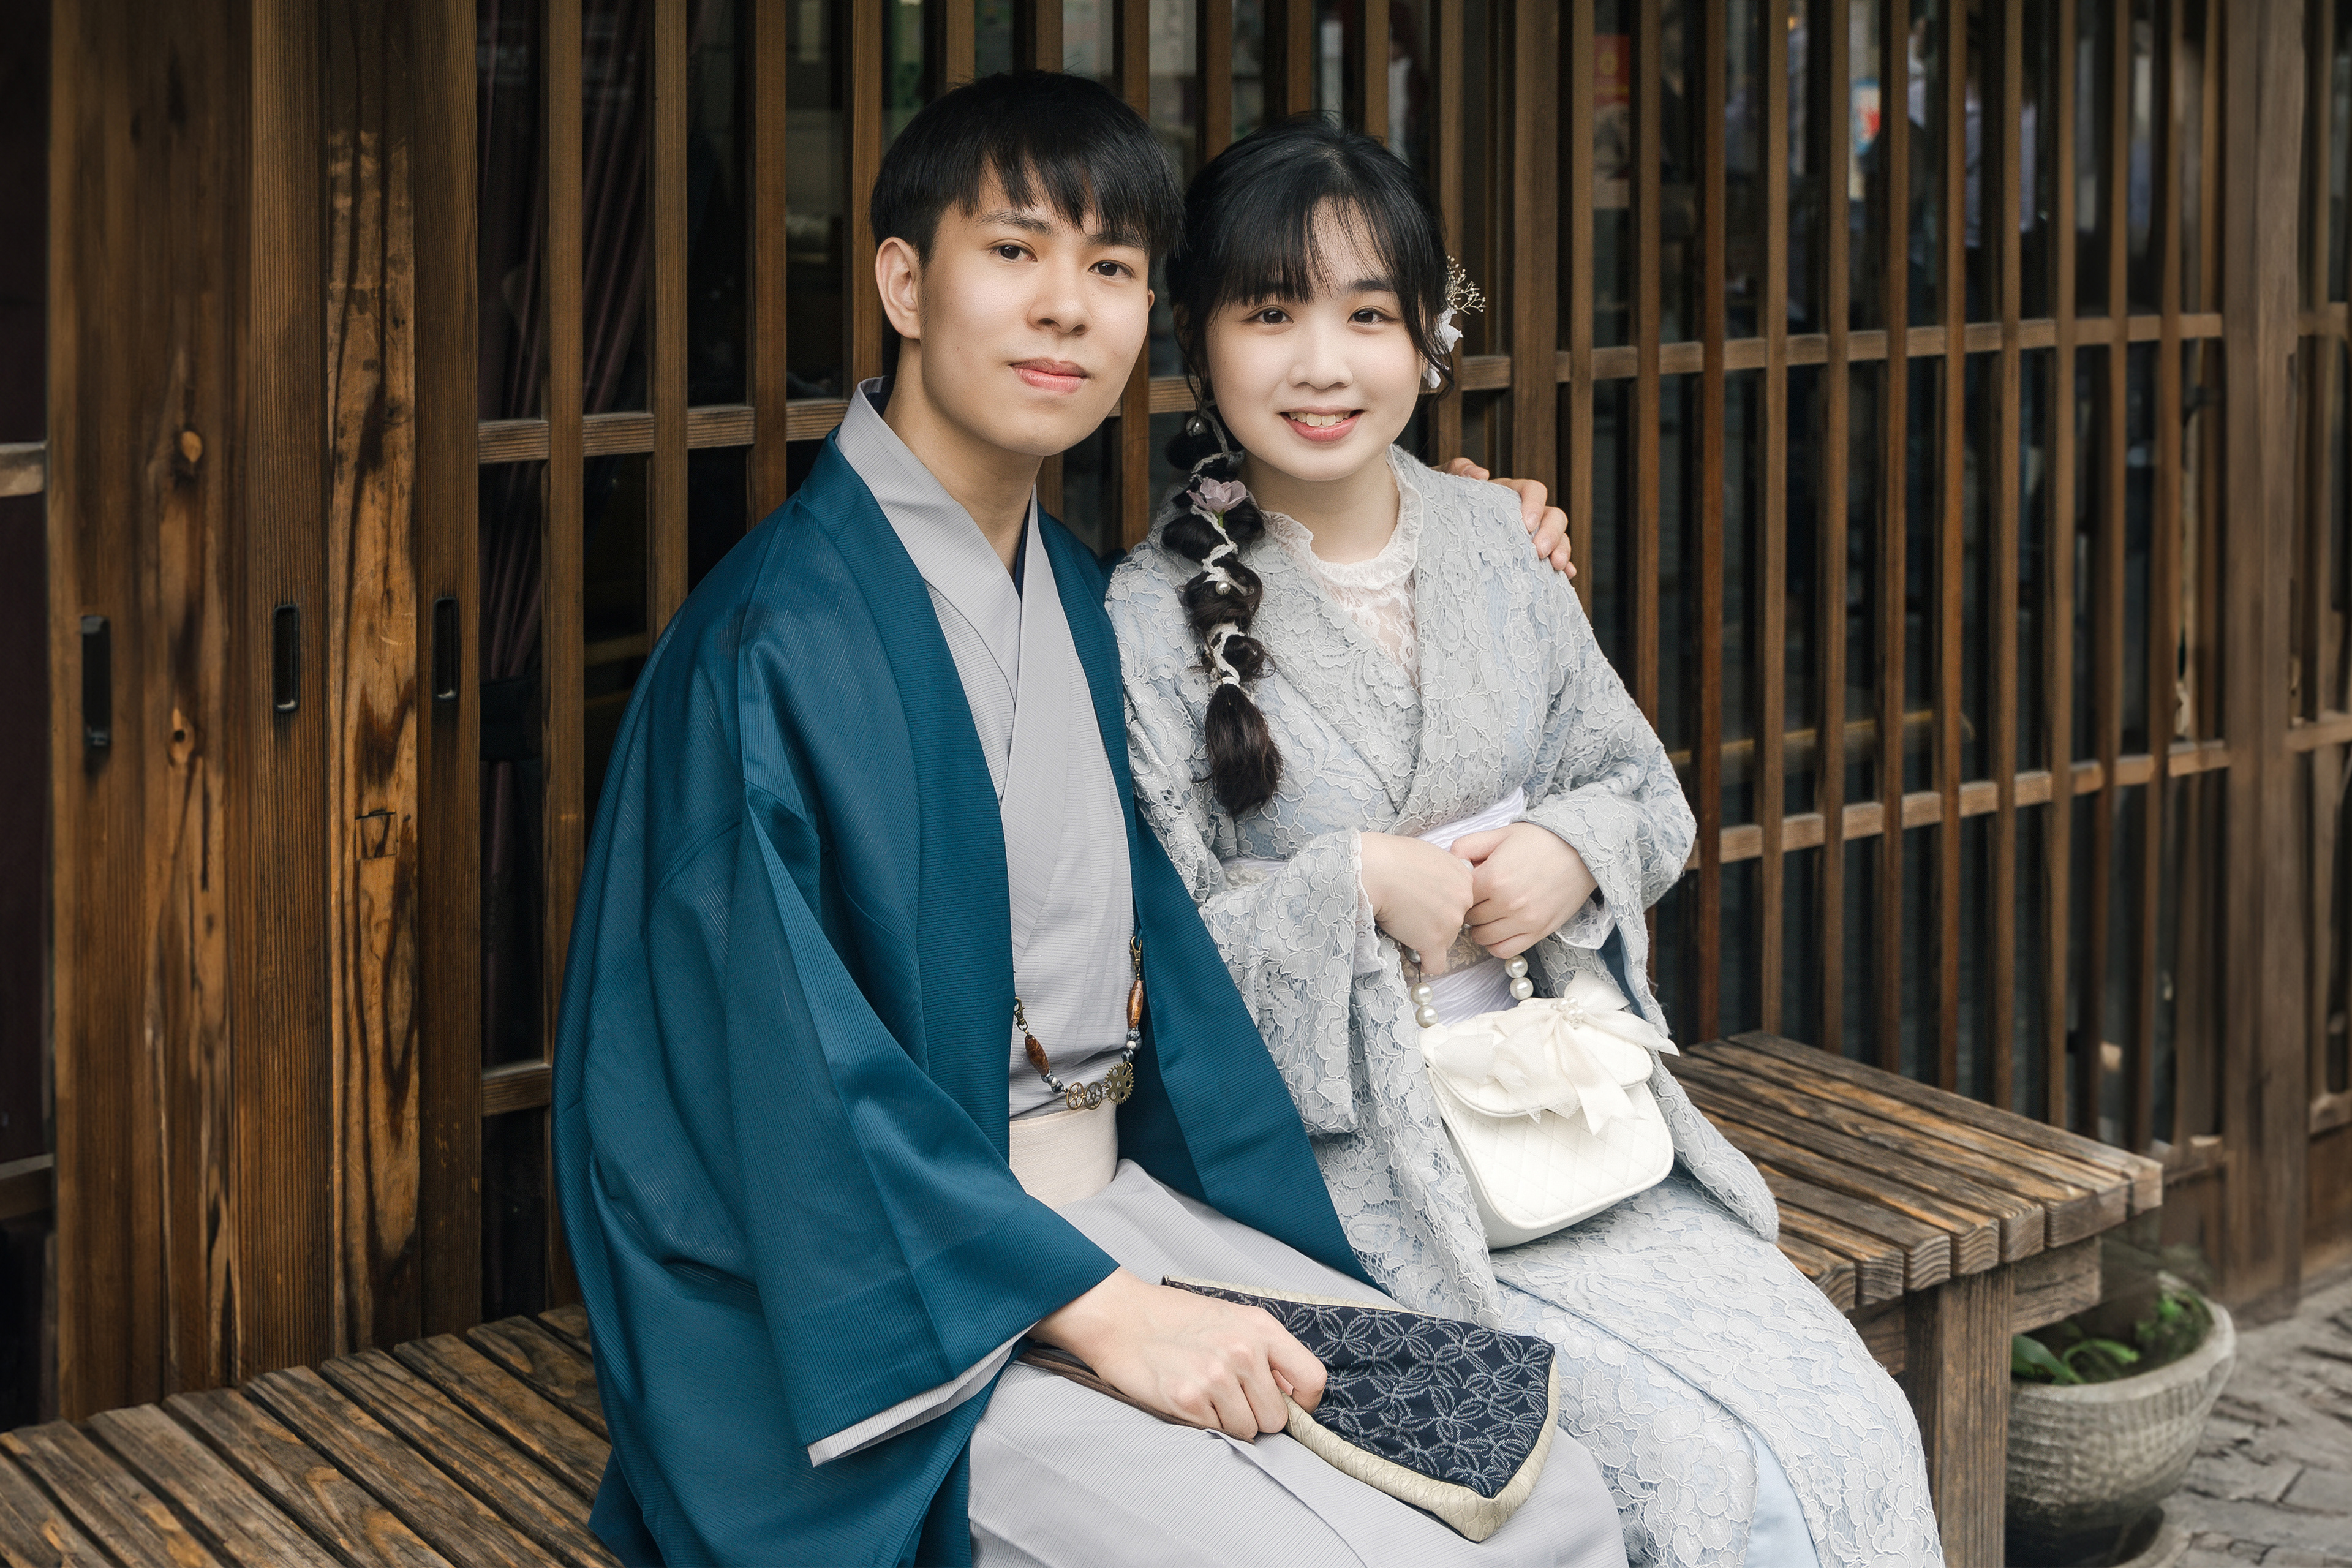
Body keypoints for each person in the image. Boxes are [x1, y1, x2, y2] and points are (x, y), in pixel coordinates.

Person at [552, 71, 1625, 1568]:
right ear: (905, 284)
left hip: (1111, 1206)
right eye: (1015, 251)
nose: (1067, 305)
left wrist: (1472, 518)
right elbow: (784, 1085)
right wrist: (1099, 1310)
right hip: (900, 1299)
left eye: (1112, 267)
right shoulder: (770, 650)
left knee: (1559, 1506)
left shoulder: (1073, 587)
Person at [1107, 118, 1944, 1568]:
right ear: (1200, 339)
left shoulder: (1496, 539)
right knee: (1694, 1470)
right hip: (1346, 1183)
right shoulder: (1144, 614)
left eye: (1370, 314)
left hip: (1566, 1125)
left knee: (1850, 1423)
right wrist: (1348, 885)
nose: (1323, 364)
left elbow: (1641, 785)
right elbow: (1145, 956)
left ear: (1430, 338)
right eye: (1272, 313)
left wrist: (1571, 845)